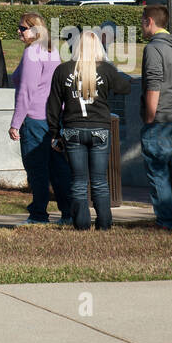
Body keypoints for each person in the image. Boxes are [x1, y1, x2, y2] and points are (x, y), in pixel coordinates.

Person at [47, 28, 131, 231]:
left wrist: (54, 133)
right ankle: (104, 224)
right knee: (100, 181)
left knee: (78, 181)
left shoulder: (63, 70)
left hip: (72, 129)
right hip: (100, 129)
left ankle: (81, 224)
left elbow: (53, 106)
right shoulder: (106, 69)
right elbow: (125, 87)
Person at [9, 13, 71, 225]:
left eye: (22, 28)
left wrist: (16, 123)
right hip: (54, 118)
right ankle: (68, 212)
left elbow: (27, 90)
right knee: (58, 169)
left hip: (35, 118)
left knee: (37, 169)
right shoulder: (52, 51)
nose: (18, 31)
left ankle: (38, 214)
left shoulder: (32, 53)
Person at [140, 5, 172, 232]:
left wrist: (150, 118)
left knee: (159, 173)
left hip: (161, 119)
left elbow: (153, 85)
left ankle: (167, 222)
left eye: (142, 21)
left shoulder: (153, 49)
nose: (141, 25)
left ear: (149, 21)